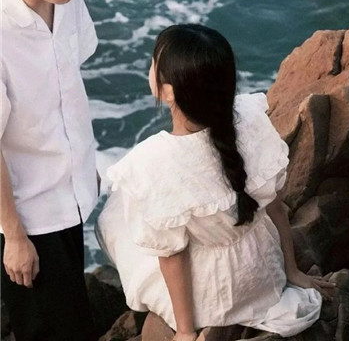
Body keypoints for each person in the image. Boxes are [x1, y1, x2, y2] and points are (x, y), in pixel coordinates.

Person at [96, 24, 335, 341]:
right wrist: (291, 271)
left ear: (168, 91)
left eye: (154, 63)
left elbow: (172, 256)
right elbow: (275, 206)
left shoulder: (153, 163)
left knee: (114, 221)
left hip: (213, 294)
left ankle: (198, 323)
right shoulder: (249, 120)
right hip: (264, 272)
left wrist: (185, 331)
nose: (150, 67)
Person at [0, 0, 99, 340]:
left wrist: (83, 165)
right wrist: (14, 236)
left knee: (75, 320)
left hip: (71, 193)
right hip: (27, 211)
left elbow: (66, 82)